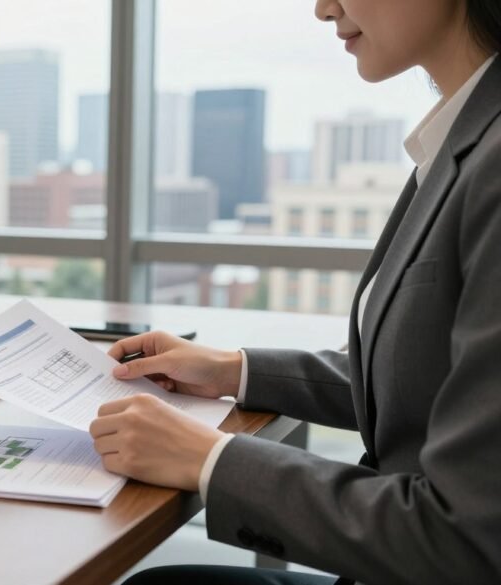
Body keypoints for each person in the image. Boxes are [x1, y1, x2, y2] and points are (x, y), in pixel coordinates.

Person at [89, 0, 501, 583]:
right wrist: (233, 370)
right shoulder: (468, 136)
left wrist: (208, 458)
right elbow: (435, 374)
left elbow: (467, 540)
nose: (322, 8)